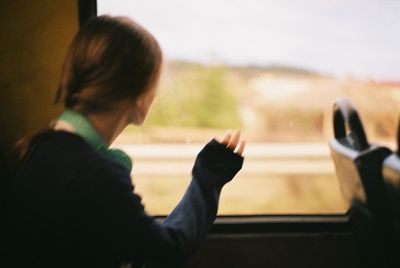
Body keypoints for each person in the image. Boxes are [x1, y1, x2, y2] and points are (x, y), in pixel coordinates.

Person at [3, 15, 245, 268]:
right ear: (140, 96)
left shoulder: (43, 148)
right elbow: (165, 253)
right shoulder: (95, 173)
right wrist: (207, 179)